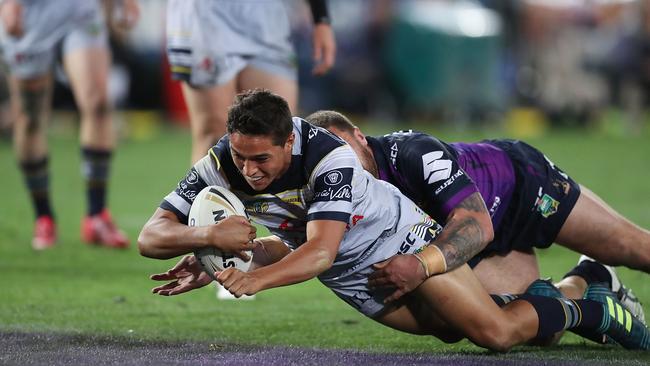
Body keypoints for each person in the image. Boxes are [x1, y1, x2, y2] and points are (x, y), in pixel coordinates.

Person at [138, 89, 650, 351]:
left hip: (511, 195)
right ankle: (586, 284)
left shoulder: (336, 159)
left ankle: (593, 308)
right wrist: (211, 245)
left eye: (261, 162)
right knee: (478, 330)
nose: (248, 173)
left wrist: (251, 279)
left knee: (497, 332)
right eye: (240, 160)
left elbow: (320, 252)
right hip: (392, 258)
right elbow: (152, 235)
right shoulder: (226, 160)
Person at [305, 110, 649, 323]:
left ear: (361, 138)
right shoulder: (333, 189)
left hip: (522, 189)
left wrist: (421, 266)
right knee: (534, 323)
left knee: (636, 248)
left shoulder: (411, 152)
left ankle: (600, 271)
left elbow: (476, 225)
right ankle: (592, 277)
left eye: (342, 149)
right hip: (470, 243)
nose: (340, 163)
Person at [0, 0, 139, 250]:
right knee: (30, 117)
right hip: (30, 14)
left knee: (98, 104)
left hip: (79, 11)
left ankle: (96, 215)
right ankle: (43, 216)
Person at [166, 0, 336, 164]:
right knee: (215, 136)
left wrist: (321, 18)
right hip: (206, 13)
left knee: (279, 133)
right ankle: (207, 192)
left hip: (266, 16)